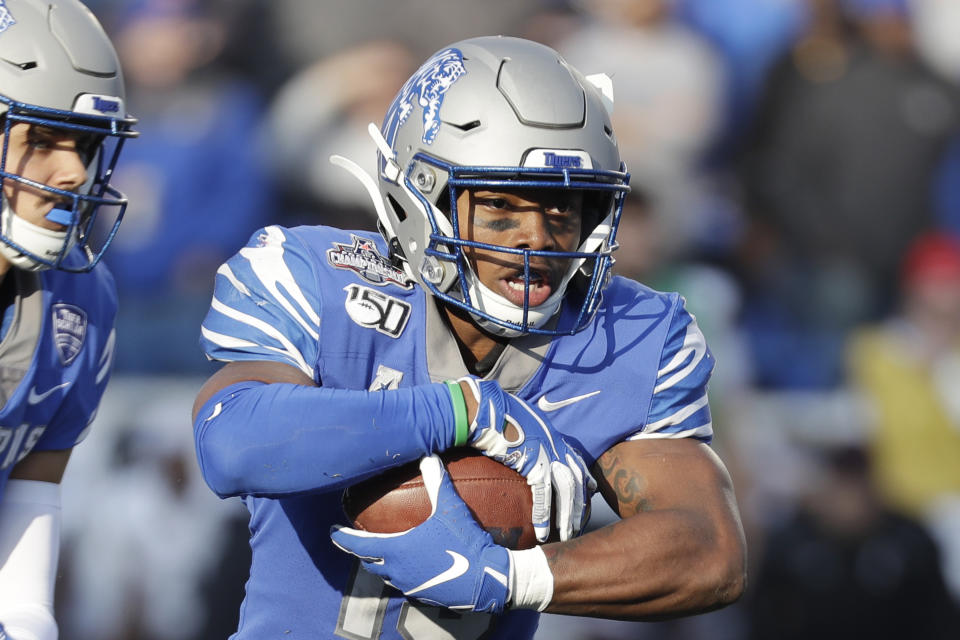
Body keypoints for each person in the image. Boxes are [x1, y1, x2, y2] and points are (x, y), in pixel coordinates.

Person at [192, 36, 746, 639]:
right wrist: (463, 410)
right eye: (502, 207)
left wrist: (513, 577)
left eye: (563, 210)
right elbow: (231, 439)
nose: (537, 237)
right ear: (418, 201)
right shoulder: (317, 275)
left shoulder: (627, 334)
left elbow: (710, 550)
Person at [0, 1, 138, 638]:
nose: (75, 172)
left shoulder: (78, 299)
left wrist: (28, 621)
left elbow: (29, 493)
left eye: (83, 144)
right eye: (42, 139)